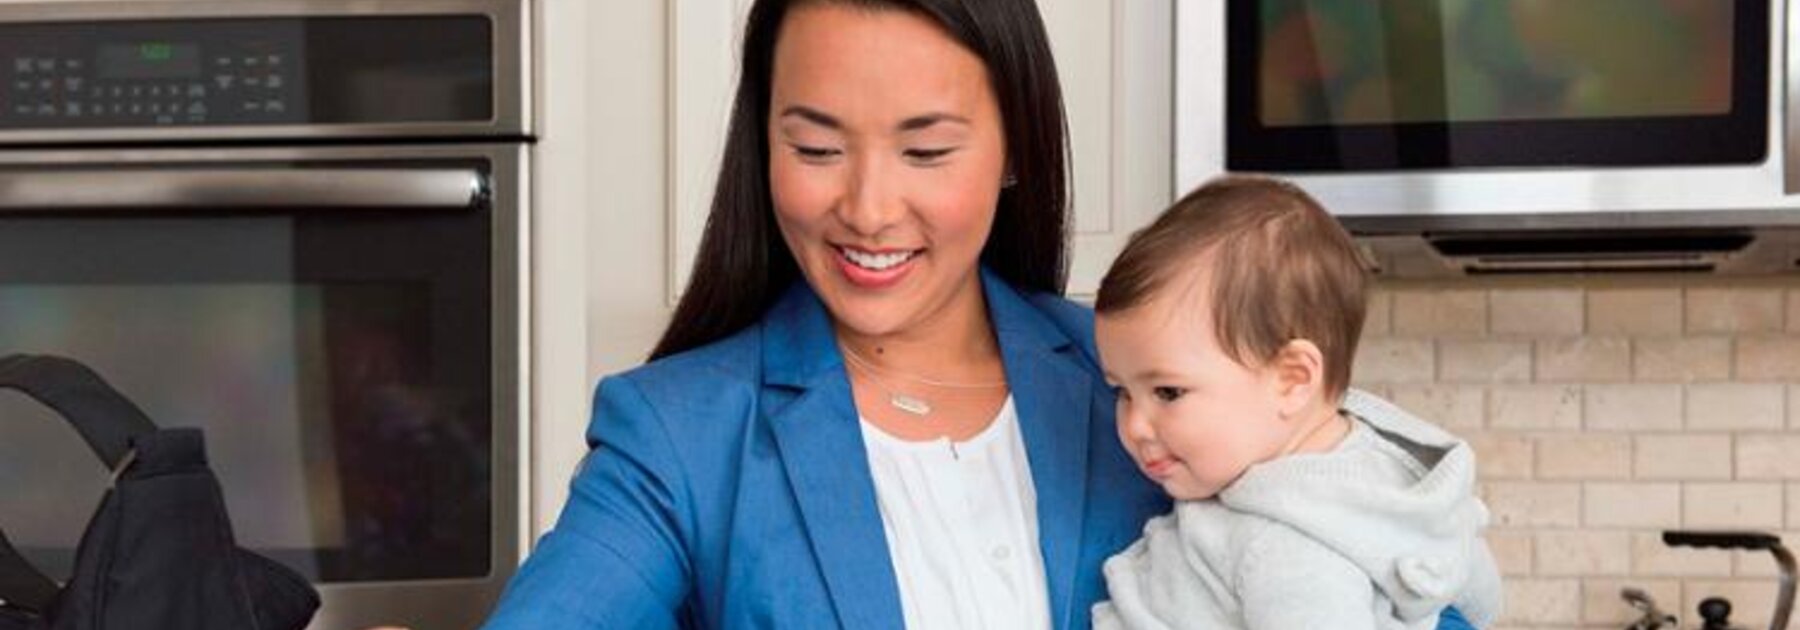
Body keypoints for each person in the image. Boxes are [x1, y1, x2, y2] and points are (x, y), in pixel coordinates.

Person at [483, 1, 1479, 628]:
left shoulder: (1153, 386)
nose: (869, 208)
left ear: (1012, 154)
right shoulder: (677, 434)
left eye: (927, 151)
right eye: (818, 146)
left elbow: (1392, 573)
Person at [1089, 176, 1502, 629]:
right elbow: (1479, 597)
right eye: (1122, 392)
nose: (1135, 425)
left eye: (1168, 392)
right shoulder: (1405, 486)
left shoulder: (1288, 550)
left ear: (1292, 379)